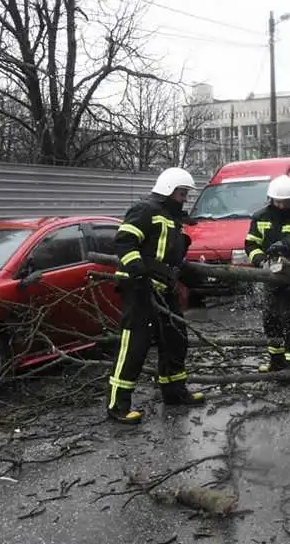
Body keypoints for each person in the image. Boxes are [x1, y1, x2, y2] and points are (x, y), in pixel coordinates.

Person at [106, 167, 204, 424]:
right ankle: (118, 405)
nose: (185, 198)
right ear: (169, 190)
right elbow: (124, 242)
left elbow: (170, 257)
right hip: (139, 289)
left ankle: (174, 392)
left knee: (175, 340)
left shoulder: (172, 219)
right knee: (134, 347)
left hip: (164, 289)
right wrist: (138, 272)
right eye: (182, 193)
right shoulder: (144, 210)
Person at [244, 175, 290, 373]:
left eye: (285, 202)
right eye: (277, 201)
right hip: (270, 278)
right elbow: (250, 244)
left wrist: (286, 245)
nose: (281, 205)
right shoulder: (261, 217)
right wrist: (261, 261)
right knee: (271, 321)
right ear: (271, 199)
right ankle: (276, 363)